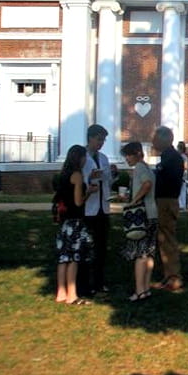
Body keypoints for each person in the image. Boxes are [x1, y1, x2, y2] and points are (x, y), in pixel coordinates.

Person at [80, 124, 116, 296]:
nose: (101, 143)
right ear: (90, 138)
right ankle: (86, 283)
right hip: (88, 208)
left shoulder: (103, 158)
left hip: (103, 207)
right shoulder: (82, 157)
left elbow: (107, 181)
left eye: (103, 140)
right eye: (99, 139)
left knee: (101, 247)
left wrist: (112, 174)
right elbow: (77, 180)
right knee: (86, 247)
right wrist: (89, 178)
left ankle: (99, 282)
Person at [55, 144, 94, 305]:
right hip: (75, 220)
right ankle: (72, 294)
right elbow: (78, 202)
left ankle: (61, 292)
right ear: (80, 158)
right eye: (84, 157)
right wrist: (88, 192)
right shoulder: (77, 175)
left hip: (64, 221)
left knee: (63, 257)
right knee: (74, 258)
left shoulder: (64, 174)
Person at [119, 142, 158, 301]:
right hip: (152, 214)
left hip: (142, 215)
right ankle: (146, 288)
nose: (127, 159)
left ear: (136, 154)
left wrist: (134, 200)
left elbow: (147, 184)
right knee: (149, 253)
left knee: (140, 254)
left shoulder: (140, 168)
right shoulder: (147, 168)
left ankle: (139, 290)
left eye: (128, 155)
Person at [151, 126, 184, 292]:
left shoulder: (171, 158)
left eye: (155, 139)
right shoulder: (169, 156)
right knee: (163, 240)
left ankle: (174, 278)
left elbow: (162, 178)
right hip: (165, 201)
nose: (153, 143)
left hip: (166, 202)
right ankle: (168, 275)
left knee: (167, 239)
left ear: (164, 140)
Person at [177, 141, 188, 210]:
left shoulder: (182, 156)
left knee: (181, 191)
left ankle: (181, 205)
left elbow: (185, 166)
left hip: (181, 175)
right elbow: (187, 166)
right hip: (182, 175)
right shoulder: (185, 156)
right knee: (183, 191)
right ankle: (183, 205)